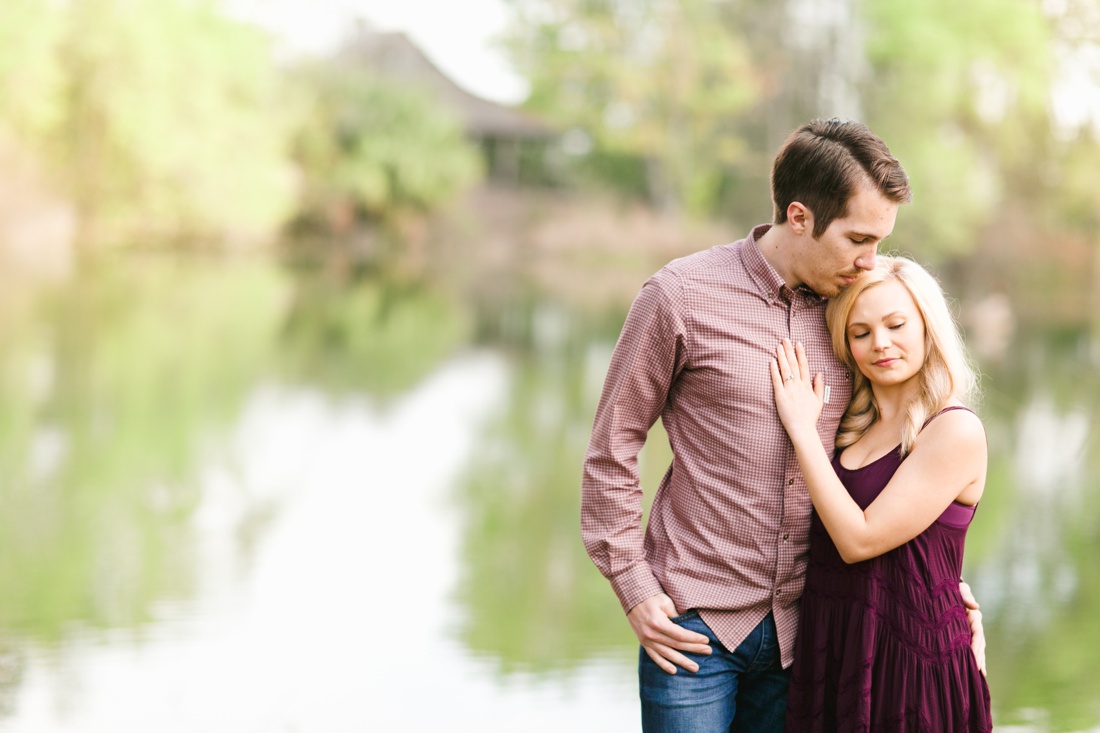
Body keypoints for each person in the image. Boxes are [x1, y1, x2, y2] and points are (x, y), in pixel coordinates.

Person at [580, 118, 984, 733]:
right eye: (857, 239)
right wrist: (634, 588)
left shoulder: (855, 314)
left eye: (880, 241)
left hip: (816, 634)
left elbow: (899, 457)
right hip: (696, 628)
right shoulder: (679, 296)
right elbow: (612, 449)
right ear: (799, 218)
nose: (870, 261)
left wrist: (940, 585)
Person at [770, 256, 992, 731]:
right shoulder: (850, 427)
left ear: (927, 327)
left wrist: (801, 429)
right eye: (861, 332)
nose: (881, 344)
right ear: (845, 345)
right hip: (837, 647)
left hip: (910, 664)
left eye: (896, 325)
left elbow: (860, 540)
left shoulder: (954, 429)